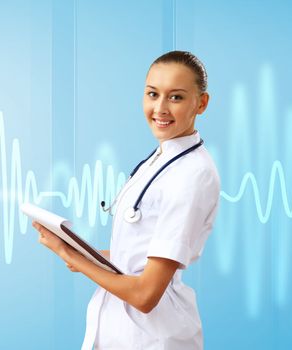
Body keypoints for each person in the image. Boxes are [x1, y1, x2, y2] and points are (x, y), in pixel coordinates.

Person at [32, 50, 221, 349]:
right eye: (152, 94)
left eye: (176, 97)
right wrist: (87, 251)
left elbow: (146, 295)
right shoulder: (162, 158)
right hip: (124, 334)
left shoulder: (192, 175)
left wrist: (74, 258)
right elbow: (140, 252)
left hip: (155, 338)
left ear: (202, 103)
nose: (160, 108)